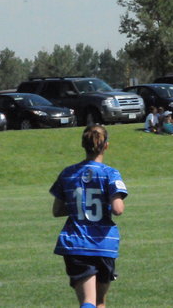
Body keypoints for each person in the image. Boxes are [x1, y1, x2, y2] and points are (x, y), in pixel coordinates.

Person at [49, 125, 128, 308]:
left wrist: (80, 206)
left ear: (83, 145)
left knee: (88, 301)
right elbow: (118, 209)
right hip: (103, 243)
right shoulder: (110, 173)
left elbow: (57, 210)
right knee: (99, 302)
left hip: (76, 242)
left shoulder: (68, 173)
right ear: (106, 145)